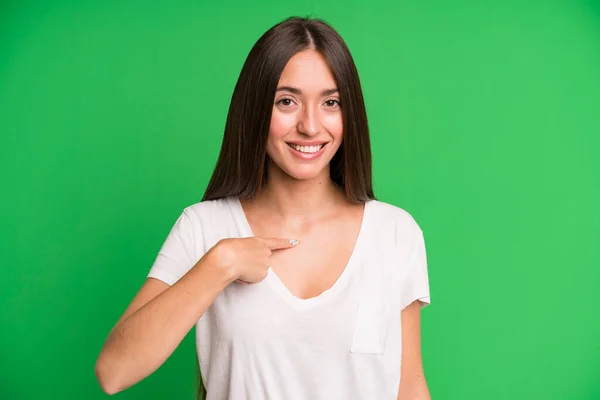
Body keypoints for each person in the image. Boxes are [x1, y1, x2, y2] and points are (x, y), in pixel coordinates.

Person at [95, 16, 432, 400]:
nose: (310, 125)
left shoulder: (394, 233)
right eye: (286, 101)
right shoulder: (204, 227)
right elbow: (113, 371)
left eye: (331, 102)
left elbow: (409, 385)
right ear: (256, 110)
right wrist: (219, 266)